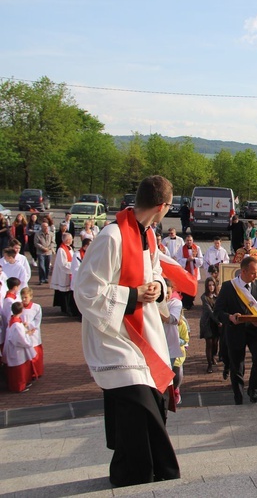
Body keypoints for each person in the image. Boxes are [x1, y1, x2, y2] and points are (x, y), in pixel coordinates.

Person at [74, 175, 180, 487]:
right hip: (114, 337)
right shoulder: (112, 237)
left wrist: (158, 288)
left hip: (143, 334)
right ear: (162, 206)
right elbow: (86, 291)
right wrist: (133, 295)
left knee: (153, 406)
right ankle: (137, 475)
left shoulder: (148, 235)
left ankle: (141, 472)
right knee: (139, 407)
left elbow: (157, 272)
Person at [214, 256, 257, 405]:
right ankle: (238, 396)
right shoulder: (229, 287)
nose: (256, 276)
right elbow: (218, 312)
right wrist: (230, 318)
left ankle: (253, 389)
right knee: (237, 366)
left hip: (256, 331)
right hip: (236, 330)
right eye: (253, 273)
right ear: (244, 271)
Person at [3, 301, 36, 392]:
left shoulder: (12, 319)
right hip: (17, 350)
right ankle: (19, 387)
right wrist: (28, 334)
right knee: (19, 370)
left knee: (19, 369)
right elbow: (21, 339)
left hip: (14, 348)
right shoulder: (17, 325)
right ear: (21, 311)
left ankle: (22, 383)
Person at [161, 279, 184, 404]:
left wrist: (158, 309)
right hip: (155, 344)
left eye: (168, 292)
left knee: (169, 374)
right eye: (163, 292)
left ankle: (170, 397)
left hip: (169, 345)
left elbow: (172, 319)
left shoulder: (175, 303)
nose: (165, 296)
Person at [21, 286, 43, 379]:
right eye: (22, 297)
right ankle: (28, 373)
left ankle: (37, 372)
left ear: (31, 297)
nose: (24, 299)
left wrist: (29, 325)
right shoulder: (19, 306)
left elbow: (37, 320)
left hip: (33, 334)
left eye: (26, 297)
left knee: (35, 354)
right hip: (23, 333)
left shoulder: (36, 307)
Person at [50, 232, 74, 316]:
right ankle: (65, 308)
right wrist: (73, 266)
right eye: (71, 239)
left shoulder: (69, 248)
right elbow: (63, 263)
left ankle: (68, 307)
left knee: (68, 291)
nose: (72, 240)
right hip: (63, 273)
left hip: (68, 273)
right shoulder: (61, 249)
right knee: (64, 291)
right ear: (67, 240)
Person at [200, 277, 221, 373]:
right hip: (208, 322)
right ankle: (209, 365)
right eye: (209, 285)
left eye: (213, 285)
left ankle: (213, 356)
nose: (211, 287)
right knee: (209, 343)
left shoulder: (218, 296)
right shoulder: (204, 297)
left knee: (215, 343)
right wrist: (218, 322)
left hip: (216, 323)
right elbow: (210, 311)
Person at [176, 235, 203, 310]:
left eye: (190, 240)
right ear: (185, 241)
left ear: (192, 241)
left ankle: (191, 301)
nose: (189, 242)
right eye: (187, 240)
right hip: (186, 272)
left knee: (193, 287)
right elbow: (178, 260)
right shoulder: (182, 249)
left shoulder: (197, 248)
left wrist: (194, 259)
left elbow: (201, 260)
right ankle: (186, 303)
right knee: (186, 287)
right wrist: (187, 260)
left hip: (194, 272)